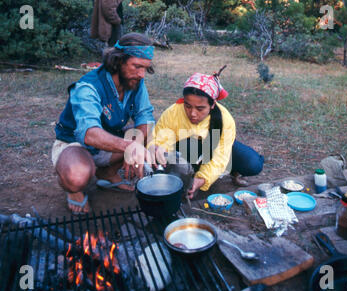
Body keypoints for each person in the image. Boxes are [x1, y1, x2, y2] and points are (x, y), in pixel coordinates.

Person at [52, 33, 155, 215]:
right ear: (118, 61)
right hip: (75, 143)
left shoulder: (135, 82)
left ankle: (107, 173)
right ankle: (74, 190)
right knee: (77, 176)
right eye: (137, 66)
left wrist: (137, 143)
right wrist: (130, 146)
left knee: (147, 132)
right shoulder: (88, 87)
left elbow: (144, 115)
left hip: (109, 139)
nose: (141, 74)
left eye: (145, 68)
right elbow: (89, 134)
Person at [148, 70, 264, 199]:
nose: (192, 113)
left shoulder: (225, 119)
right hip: (185, 151)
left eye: (200, 108)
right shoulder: (173, 112)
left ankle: (231, 170)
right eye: (188, 106)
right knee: (186, 146)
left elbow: (219, 157)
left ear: (212, 104)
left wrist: (201, 180)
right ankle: (188, 171)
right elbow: (160, 140)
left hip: (215, 147)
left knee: (253, 164)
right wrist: (160, 150)